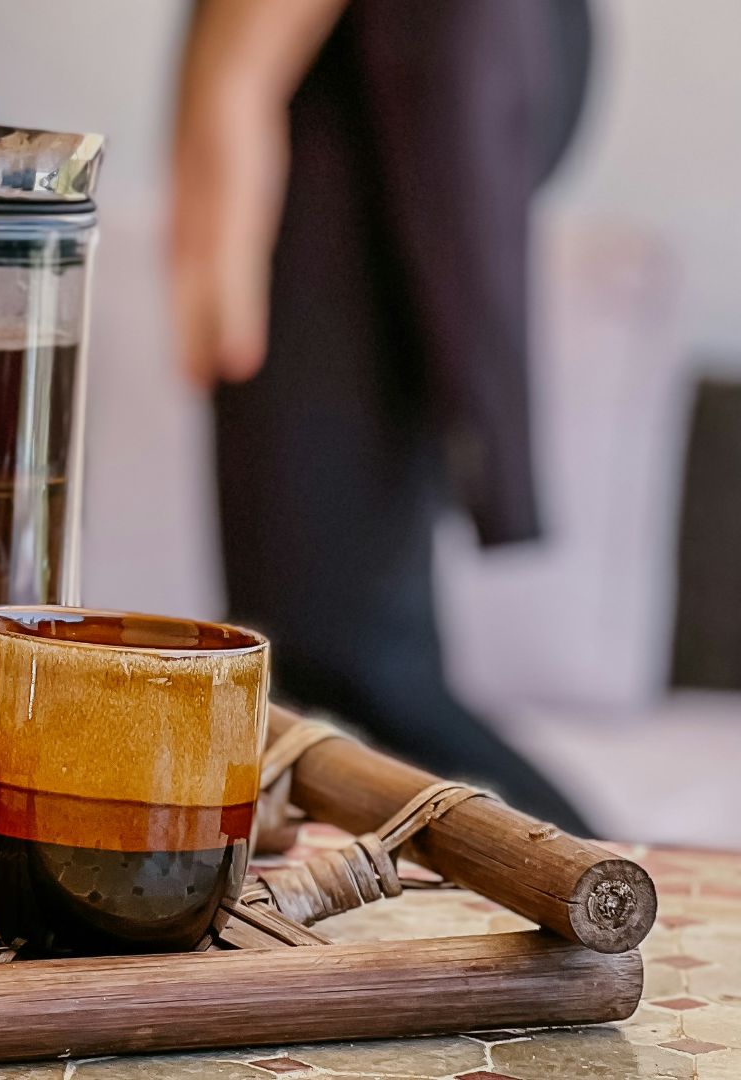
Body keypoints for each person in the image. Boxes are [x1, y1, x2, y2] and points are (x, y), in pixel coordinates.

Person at [169, 0, 595, 833]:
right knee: (315, 669)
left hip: (355, 44)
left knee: (340, 669)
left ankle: (635, 895)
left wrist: (235, 78)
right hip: (362, 53)